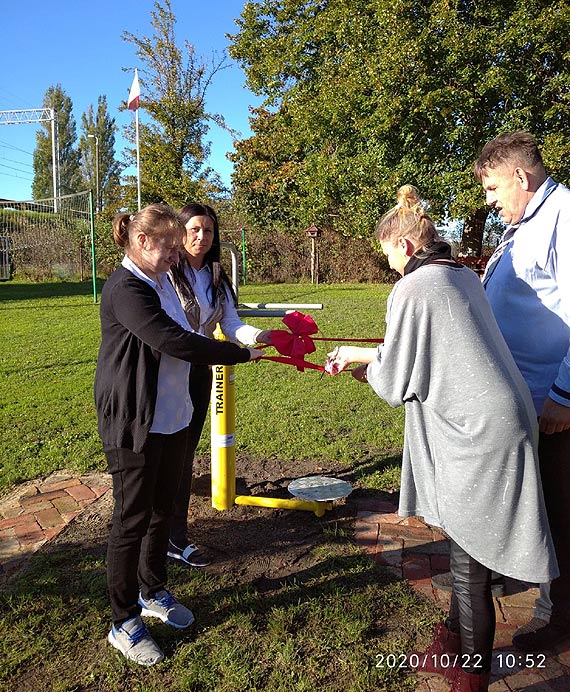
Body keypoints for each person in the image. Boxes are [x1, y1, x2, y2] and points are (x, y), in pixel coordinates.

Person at [325, 185, 558, 692]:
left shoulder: (412, 286)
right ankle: (449, 642)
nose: (389, 268)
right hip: (503, 415)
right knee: (464, 538)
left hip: (478, 429)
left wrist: (358, 362)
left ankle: (470, 679)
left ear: (405, 246)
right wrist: (369, 358)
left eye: (388, 256)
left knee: (468, 557)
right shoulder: (459, 275)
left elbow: (394, 378)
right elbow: (428, 350)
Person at [94, 204, 262, 666]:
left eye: (177, 244)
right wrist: (237, 356)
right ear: (141, 242)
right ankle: (123, 621)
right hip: (134, 420)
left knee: (163, 508)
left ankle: (154, 591)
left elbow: (198, 325)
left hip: (174, 412)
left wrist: (246, 337)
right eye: (168, 244)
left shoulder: (163, 281)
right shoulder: (126, 287)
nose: (177, 252)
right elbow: (173, 339)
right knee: (132, 518)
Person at [473, 131, 570, 652]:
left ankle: (560, 616)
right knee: (532, 503)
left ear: (520, 176)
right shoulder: (525, 225)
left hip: (553, 402)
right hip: (524, 397)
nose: (488, 201)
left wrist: (566, 395)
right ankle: (516, 575)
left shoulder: (564, 218)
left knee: (560, 511)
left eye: (491, 188)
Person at [166, 203, 273, 568]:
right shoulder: (165, 273)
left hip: (198, 373)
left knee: (184, 455)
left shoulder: (215, 276)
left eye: (208, 231)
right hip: (166, 375)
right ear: (180, 232)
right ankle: (158, 534)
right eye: (194, 229)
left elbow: (231, 323)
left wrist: (263, 335)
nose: (201, 237)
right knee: (165, 455)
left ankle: (174, 538)